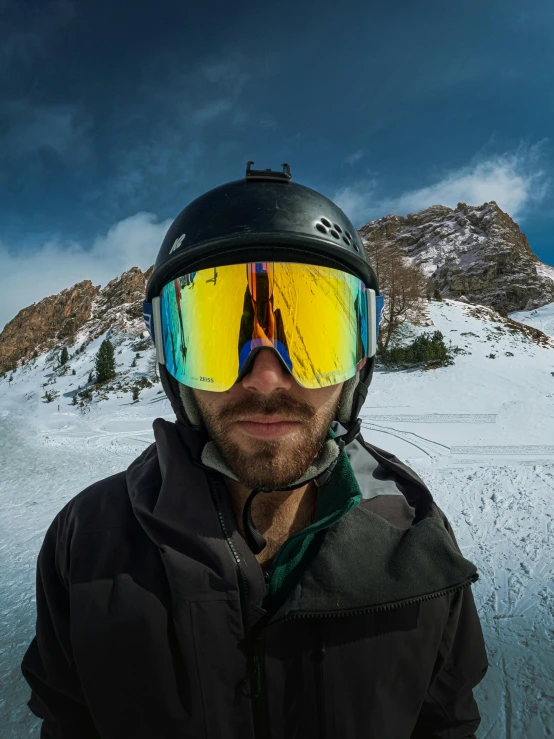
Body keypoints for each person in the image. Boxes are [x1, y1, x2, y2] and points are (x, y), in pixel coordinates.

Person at [21, 162, 488, 739]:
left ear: (360, 359)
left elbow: (445, 724)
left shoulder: (415, 537)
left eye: (313, 337)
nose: (266, 379)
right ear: (174, 368)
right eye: (216, 339)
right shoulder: (87, 540)